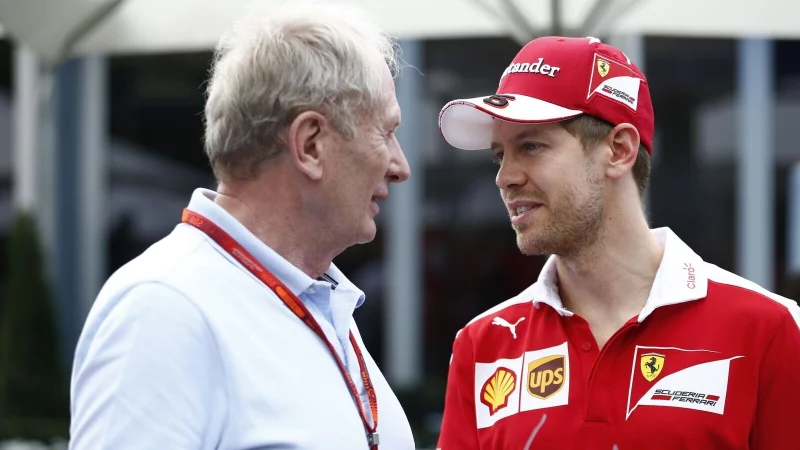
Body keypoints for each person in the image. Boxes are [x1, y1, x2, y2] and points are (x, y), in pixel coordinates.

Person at [69, 3, 415, 449]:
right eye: (385, 133)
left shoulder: (318, 299)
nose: (400, 166)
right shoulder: (163, 307)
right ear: (310, 145)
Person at [435, 36, 800, 450]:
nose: (505, 178)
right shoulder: (482, 344)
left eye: (531, 147)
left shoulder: (768, 328)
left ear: (619, 150)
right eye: (500, 155)